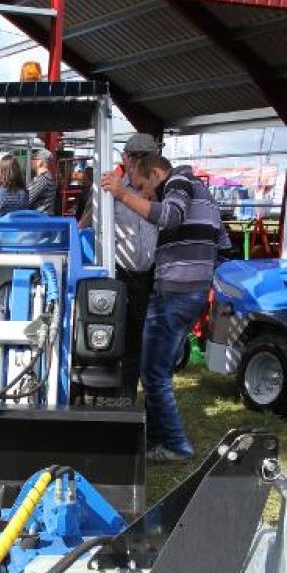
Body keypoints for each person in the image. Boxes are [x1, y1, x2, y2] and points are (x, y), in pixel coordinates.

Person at [102, 153, 230, 464]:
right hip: (189, 292)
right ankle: (157, 441)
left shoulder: (180, 181)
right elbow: (223, 244)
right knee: (153, 368)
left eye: (144, 186)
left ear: (157, 173)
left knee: (154, 374)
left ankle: (176, 445)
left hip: (176, 293)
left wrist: (122, 194)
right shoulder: (203, 194)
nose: (145, 194)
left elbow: (168, 217)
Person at [113, 132, 159, 401]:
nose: (141, 162)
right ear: (126, 159)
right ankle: (125, 393)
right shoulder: (113, 190)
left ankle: (144, 391)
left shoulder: (165, 191)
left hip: (153, 275)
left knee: (146, 338)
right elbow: (95, 226)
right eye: (136, 156)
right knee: (123, 335)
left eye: (147, 156)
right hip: (122, 273)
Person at [27, 147, 57, 214]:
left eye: (34, 159)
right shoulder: (47, 177)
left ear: (40, 162)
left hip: (39, 219)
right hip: (43, 218)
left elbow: (26, 199)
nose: (31, 161)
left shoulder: (42, 179)